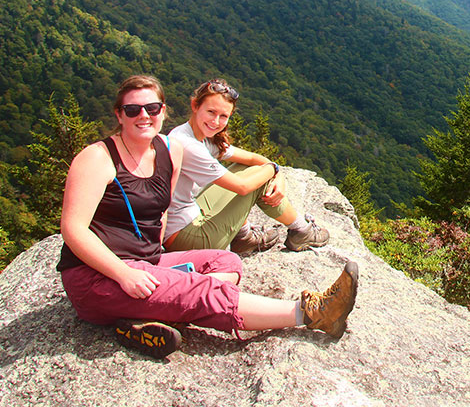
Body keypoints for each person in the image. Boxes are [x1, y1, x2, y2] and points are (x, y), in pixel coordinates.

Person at [58, 75, 358, 358]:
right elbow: (73, 229)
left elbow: (161, 212)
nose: (144, 115)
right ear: (119, 114)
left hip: (147, 261)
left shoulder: (167, 150)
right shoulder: (97, 157)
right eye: (133, 109)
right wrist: (124, 274)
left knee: (227, 262)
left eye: (152, 108)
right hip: (96, 277)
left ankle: (155, 313)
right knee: (200, 289)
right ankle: (313, 313)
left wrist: (159, 266)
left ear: (163, 111)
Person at [162, 78, 329, 255]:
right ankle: (302, 231)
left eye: (223, 116)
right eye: (211, 112)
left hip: (186, 219)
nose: (216, 121)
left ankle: (243, 238)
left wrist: (277, 173)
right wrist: (273, 170)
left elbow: (250, 158)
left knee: (246, 169)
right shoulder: (188, 145)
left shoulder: (196, 134)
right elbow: (243, 187)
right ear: (195, 105)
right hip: (187, 240)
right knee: (258, 181)